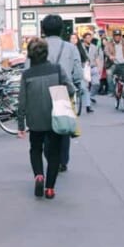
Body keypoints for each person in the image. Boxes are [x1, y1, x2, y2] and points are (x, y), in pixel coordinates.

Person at [17, 37, 75, 200]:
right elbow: (70, 89)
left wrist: (21, 124)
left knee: (35, 149)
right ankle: (49, 188)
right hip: (54, 117)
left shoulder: (26, 74)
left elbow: (22, 101)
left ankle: (38, 176)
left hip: (34, 119)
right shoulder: (57, 69)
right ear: (46, 53)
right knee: (54, 152)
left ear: (30, 55)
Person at [32, 15, 82, 173]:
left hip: (41, 91)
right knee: (63, 126)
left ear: (43, 30)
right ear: (61, 30)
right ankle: (62, 160)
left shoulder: (35, 47)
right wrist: (75, 84)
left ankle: (49, 155)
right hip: (62, 90)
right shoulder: (70, 48)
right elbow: (78, 73)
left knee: (45, 126)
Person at [103, 29, 124, 100]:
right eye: (116, 36)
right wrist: (110, 56)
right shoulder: (109, 43)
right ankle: (112, 91)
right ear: (113, 36)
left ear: (121, 36)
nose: (117, 37)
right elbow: (106, 50)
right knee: (109, 75)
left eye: (119, 36)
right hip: (113, 64)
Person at [69, 33, 93, 114]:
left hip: (79, 71)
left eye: (75, 38)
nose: (73, 40)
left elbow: (86, 58)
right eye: (72, 38)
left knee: (84, 88)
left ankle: (88, 106)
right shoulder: (66, 49)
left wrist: (86, 63)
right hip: (69, 71)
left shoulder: (80, 48)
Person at [81, 30, 101, 110]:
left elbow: (97, 57)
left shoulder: (94, 47)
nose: (89, 39)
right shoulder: (80, 47)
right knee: (85, 86)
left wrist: (99, 67)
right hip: (84, 68)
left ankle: (91, 95)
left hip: (93, 67)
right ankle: (87, 101)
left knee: (96, 83)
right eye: (87, 38)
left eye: (90, 37)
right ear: (84, 39)